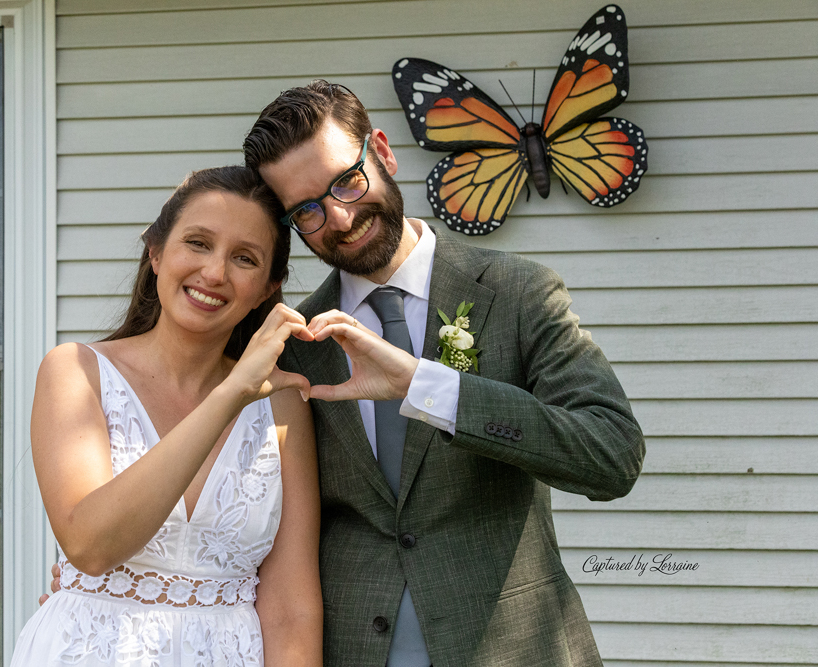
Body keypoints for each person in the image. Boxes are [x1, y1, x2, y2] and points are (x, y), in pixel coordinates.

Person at [242, 82, 647, 666]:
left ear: (381, 152)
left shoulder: (517, 294)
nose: (339, 216)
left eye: (346, 181)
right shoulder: (293, 344)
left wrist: (427, 389)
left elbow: (612, 457)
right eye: (306, 209)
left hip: (514, 650)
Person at [14, 166, 323, 666]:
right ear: (156, 253)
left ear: (268, 287)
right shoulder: (75, 371)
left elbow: (291, 610)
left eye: (244, 258)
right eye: (198, 243)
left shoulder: (284, 405)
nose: (215, 273)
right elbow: (91, 546)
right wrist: (231, 394)